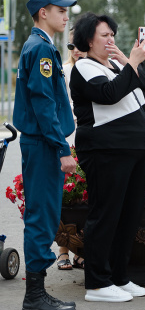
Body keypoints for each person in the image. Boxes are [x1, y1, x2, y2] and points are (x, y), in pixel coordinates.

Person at [70, 12, 145, 302]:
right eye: (105, 35)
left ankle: (119, 276)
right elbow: (108, 95)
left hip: (133, 151)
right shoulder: (83, 66)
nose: (111, 39)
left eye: (112, 35)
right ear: (88, 40)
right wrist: (130, 63)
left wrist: (126, 61)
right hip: (105, 150)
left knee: (128, 217)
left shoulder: (117, 64)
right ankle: (96, 283)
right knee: (105, 215)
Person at [13, 0, 79, 310]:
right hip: (42, 144)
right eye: (60, 10)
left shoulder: (42, 45)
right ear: (43, 13)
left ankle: (36, 293)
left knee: (47, 214)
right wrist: (61, 146)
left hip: (41, 142)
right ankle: (34, 297)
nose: (66, 16)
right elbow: (44, 104)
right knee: (41, 217)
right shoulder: (40, 48)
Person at [56, 29, 87, 272]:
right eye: (71, 46)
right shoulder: (63, 71)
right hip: (69, 134)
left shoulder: (98, 70)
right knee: (68, 191)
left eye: (80, 45)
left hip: (89, 134)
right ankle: (63, 250)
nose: (76, 50)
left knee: (86, 191)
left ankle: (82, 249)